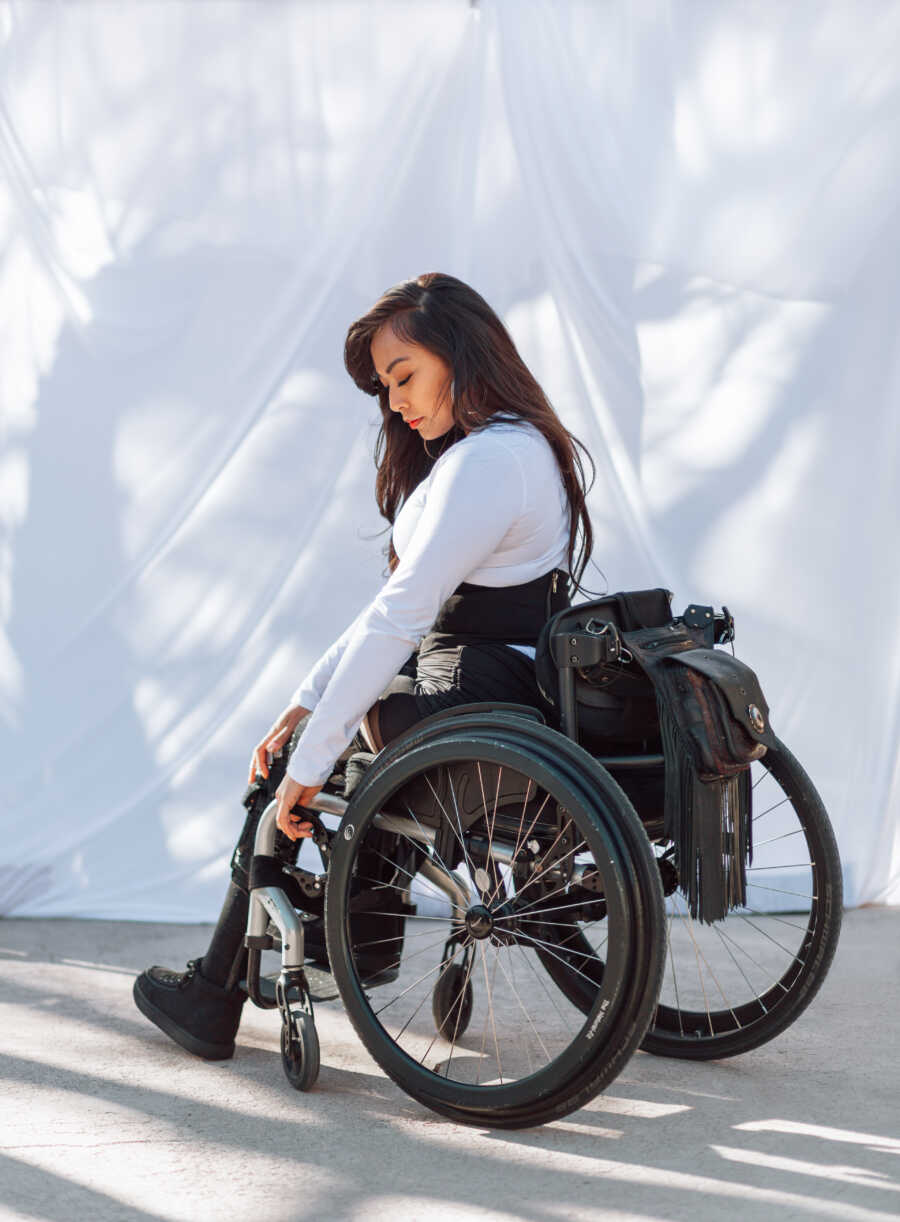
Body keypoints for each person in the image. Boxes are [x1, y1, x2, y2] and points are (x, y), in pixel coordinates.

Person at [133, 271, 595, 1061]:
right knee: (321, 735)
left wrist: (306, 759)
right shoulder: (507, 451)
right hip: (489, 687)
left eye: (404, 375)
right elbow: (399, 611)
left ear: (461, 355)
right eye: (385, 387)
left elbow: (402, 618)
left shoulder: (491, 462)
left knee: (298, 763)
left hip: (475, 699)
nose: (395, 403)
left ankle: (227, 988)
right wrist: (307, 699)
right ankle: (344, 936)